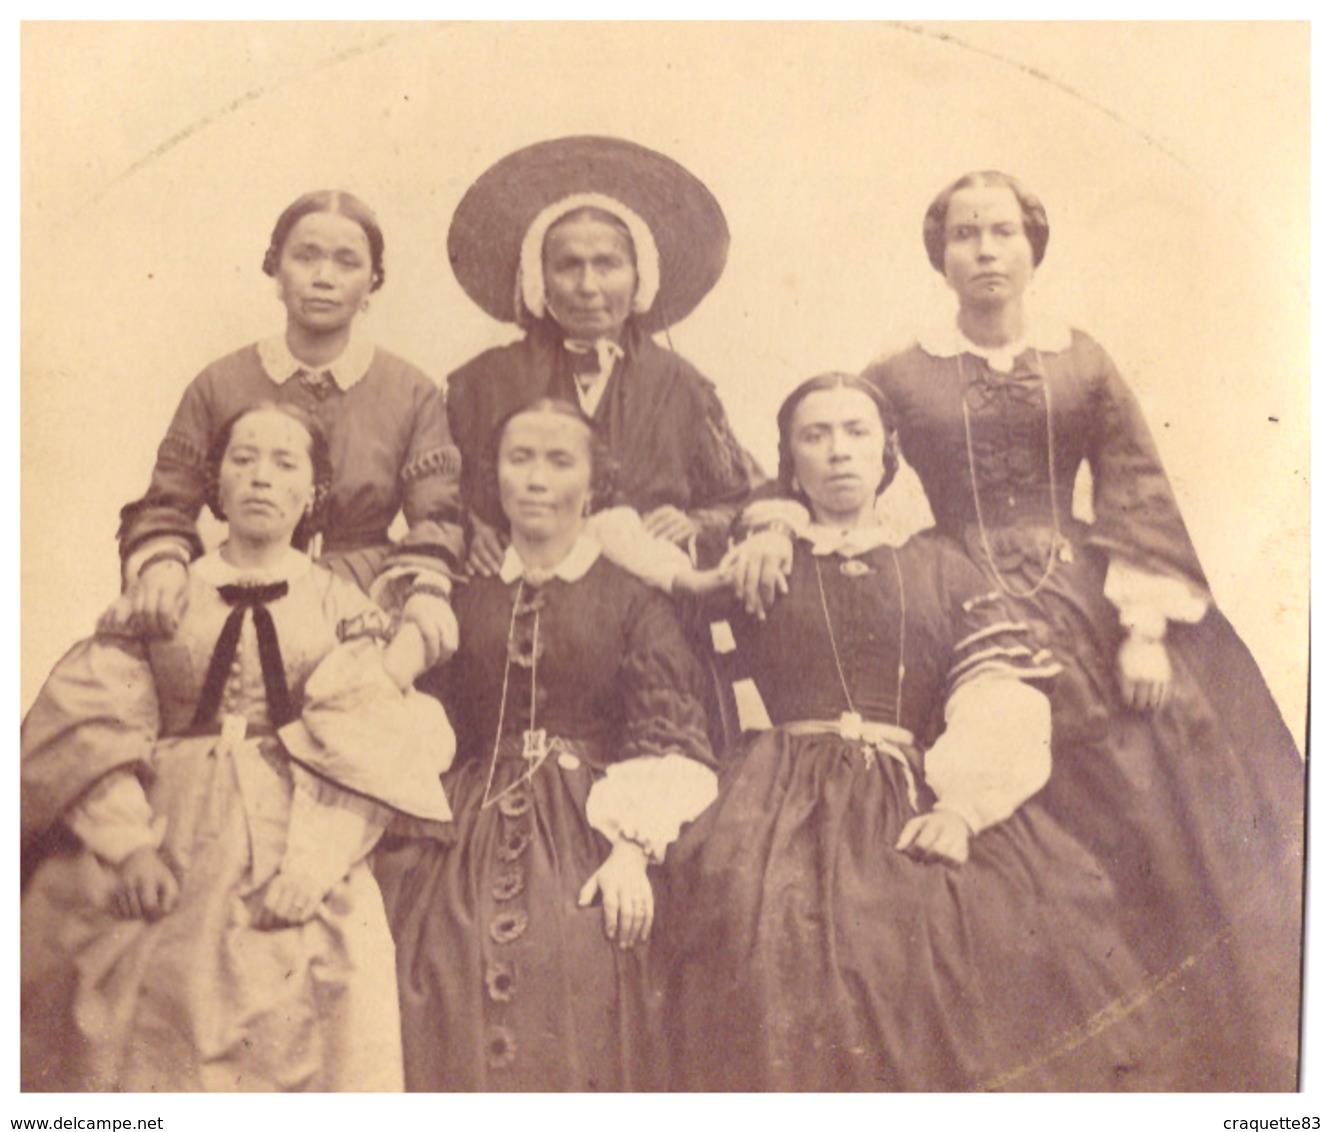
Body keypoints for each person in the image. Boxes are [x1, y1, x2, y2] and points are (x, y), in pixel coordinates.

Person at [732, 171, 1306, 1089]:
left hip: (1086, 599)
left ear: (1033, 247)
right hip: (959, 585)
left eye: (1002, 232)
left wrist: (1146, 626)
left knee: (1152, 813)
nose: (986, 251)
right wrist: (769, 519)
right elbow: (822, 435)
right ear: (941, 256)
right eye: (965, 235)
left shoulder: (1078, 357)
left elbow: (1134, 480)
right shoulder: (900, 371)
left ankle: (1192, 1053)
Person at [664, 373, 1188, 1091]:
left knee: (977, 936)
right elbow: (636, 569)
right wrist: (759, 527)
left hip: (912, 791)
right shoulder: (757, 560)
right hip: (775, 799)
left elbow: (995, 690)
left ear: (886, 452)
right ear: (788, 461)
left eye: (856, 432)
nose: (838, 453)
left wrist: (961, 810)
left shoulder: (938, 563)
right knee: (764, 936)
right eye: (813, 437)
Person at [21, 404, 455, 1092]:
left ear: (312, 494)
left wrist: (312, 868)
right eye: (242, 459)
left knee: (311, 983)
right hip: (167, 822)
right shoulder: (162, 596)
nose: (260, 478)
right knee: (133, 992)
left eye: (286, 464)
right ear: (215, 485)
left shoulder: (341, 605)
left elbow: (370, 733)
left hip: (301, 822)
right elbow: (92, 713)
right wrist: (128, 845)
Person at [374, 399, 718, 1091]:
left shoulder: (632, 599)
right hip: (462, 820)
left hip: (590, 823)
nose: (535, 479)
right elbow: (424, 726)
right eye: (518, 458)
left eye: (559, 461)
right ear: (492, 477)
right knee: (435, 956)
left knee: (580, 954)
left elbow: (667, 729)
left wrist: (630, 850)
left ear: (592, 483)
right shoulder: (464, 595)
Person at [116, 189, 463, 670]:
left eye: (347, 263)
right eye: (306, 257)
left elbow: (438, 516)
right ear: (276, 272)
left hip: (360, 598)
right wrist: (162, 563)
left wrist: (424, 591)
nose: (324, 278)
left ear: (373, 283)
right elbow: (167, 503)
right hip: (238, 588)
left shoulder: (409, 391)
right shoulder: (220, 383)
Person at [444, 135, 759, 585]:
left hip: (648, 598)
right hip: (514, 589)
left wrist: (698, 523)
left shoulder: (682, 385)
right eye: (569, 265)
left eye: (607, 264)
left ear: (638, 279)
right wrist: (470, 533)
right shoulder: (482, 381)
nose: (588, 285)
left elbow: (739, 498)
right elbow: (437, 497)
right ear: (540, 281)